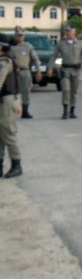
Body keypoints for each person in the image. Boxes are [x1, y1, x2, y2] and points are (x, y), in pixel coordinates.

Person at [47, 25, 82, 120]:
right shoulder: (61, 44)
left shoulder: (80, 43)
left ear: (74, 32)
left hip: (76, 70)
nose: (68, 33)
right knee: (66, 90)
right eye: (67, 31)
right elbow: (53, 56)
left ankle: (72, 111)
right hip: (65, 70)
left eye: (70, 31)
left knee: (74, 91)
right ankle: (65, 111)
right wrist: (50, 67)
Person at [0, 40, 24, 177]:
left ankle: (16, 165)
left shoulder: (4, 62)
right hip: (3, 101)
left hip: (7, 102)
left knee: (8, 133)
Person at [8, 27, 41, 119]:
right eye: (18, 35)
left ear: (24, 36)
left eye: (21, 35)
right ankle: (11, 110)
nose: (20, 37)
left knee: (26, 91)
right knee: (11, 92)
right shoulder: (10, 47)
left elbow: (35, 59)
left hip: (25, 71)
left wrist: (38, 71)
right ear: (15, 36)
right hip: (13, 72)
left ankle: (25, 111)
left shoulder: (28, 46)